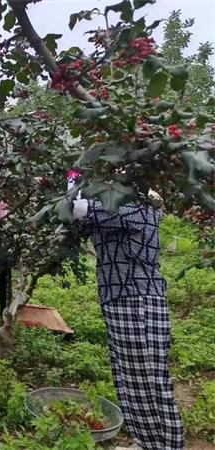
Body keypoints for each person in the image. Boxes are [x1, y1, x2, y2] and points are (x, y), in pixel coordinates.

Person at [68, 171, 185, 450]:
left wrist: (74, 183)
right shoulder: (117, 211)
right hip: (120, 299)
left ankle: (168, 446)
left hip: (137, 301)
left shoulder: (135, 209)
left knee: (151, 382)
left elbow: (83, 212)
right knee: (130, 379)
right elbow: (78, 224)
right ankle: (146, 442)